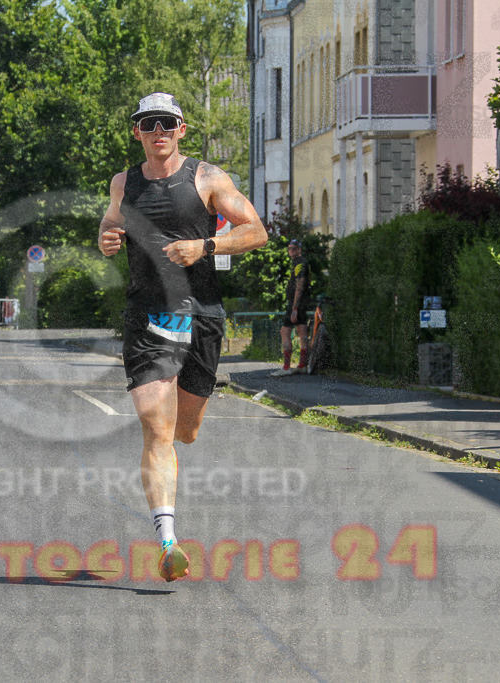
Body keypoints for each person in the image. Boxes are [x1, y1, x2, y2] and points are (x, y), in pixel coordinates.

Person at [98, 92, 268, 581]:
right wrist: (108, 238)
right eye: (149, 124)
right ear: (137, 132)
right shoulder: (123, 183)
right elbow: (111, 229)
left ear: (181, 129)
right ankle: (169, 541)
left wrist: (207, 245)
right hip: (148, 317)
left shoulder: (207, 179)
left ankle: (168, 453)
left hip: (202, 316)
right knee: (156, 429)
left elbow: (255, 231)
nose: (159, 131)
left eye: (167, 123)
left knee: (183, 431)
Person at [272, 239, 311, 377]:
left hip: (296, 304)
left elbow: (299, 286)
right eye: (289, 248)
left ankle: (287, 366)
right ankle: (302, 365)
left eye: (294, 248)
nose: (291, 251)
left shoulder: (300, 264)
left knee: (285, 331)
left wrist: (294, 308)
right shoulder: (299, 263)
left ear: (300, 249)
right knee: (302, 332)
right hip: (302, 303)